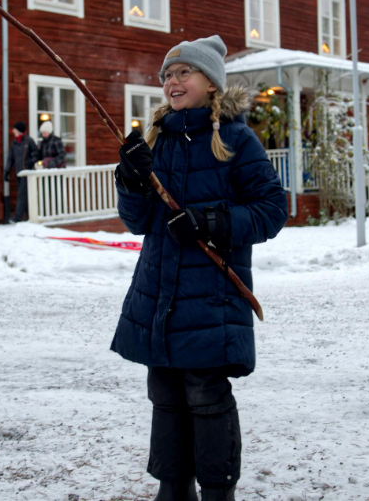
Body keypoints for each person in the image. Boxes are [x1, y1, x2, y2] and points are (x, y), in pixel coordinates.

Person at [112, 35, 287, 501]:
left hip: (211, 291)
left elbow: (272, 210)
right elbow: (138, 222)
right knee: (164, 389)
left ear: (211, 83)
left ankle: (216, 492)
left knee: (205, 393)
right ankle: (173, 488)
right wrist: (129, 179)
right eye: (167, 74)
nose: (172, 81)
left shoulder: (234, 138)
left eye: (183, 72)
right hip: (159, 291)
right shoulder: (156, 139)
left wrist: (211, 221)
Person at [4, 121, 38, 222]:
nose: (13, 131)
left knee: (22, 195)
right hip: (18, 173)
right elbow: (11, 158)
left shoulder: (28, 141)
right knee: (24, 194)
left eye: (14, 129)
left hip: (27, 173)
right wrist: (7, 171)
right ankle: (29, 216)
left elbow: (36, 154)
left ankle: (17, 218)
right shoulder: (14, 143)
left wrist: (30, 162)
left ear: (19, 130)